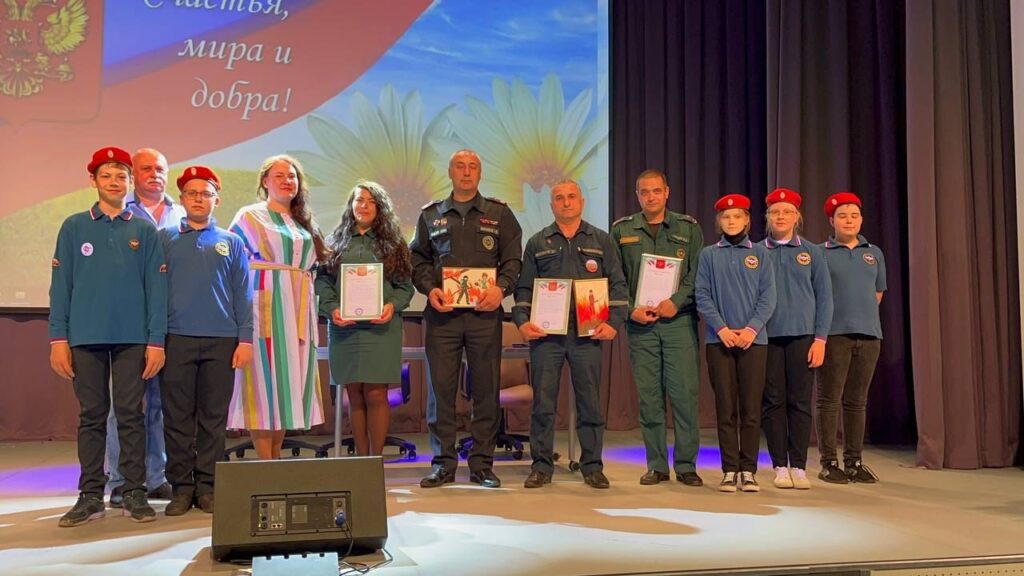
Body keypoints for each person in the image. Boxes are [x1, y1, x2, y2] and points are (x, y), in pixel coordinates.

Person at [49, 146, 167, 526]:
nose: (114, 182)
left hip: (133, 338)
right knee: (92, 416)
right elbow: (61, 286)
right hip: (85, 337)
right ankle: (89, 495)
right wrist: (58, 339)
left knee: (131, 415)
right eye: (106, 176)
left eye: (121, 176)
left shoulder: (144, 230)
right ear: (93, 181)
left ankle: (134, 491)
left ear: (130, 182)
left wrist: (156, 340)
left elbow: (157, 289)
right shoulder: (74, 227)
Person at [410, 149, 522, 489]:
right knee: (440, 392)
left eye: (473, 166)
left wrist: (501, 289)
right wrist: (430, 289)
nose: (467, 171)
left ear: (480, 173)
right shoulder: (431, 215)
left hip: (484, 316)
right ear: (450, 172)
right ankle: (443, 464)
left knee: (485, 391)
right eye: (460, 166)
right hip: (443, 316)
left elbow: (513, 261)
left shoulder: (499, 214)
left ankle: (482, 465)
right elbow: (418, 260)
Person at [513, 180, 628, 489]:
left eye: (571, 197)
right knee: (543, 405)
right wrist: (522, 322)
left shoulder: (601, 240)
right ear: (551, 205)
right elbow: (524, 288)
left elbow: (618, 285)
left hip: (587, 334)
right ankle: (541, 466)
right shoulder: (537, 242)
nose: (566, 202)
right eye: (559, 198)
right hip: (546, 335)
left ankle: (592, 466)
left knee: (590, 403)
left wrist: (614, 322)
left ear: (581, 202)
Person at [159, 166, 253, 515]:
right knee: (177, 417)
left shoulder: (232, 242)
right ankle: (182, 488)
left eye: (206, 194)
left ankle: (208, 486)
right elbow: (154, 290)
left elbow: (243, 294)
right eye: (192, 193)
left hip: (221, 341)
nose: (199, 199)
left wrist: (245, 339)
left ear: (217, 200)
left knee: (213, 419)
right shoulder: (164, 238)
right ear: (182, 199)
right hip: (176, 338)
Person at [227, 154, 326, 460]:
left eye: (292, 176)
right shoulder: (250, 216)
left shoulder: (302, 220)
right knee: (263, 381)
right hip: (266, 302)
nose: (287, 181)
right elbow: (231, 261)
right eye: (279, 175)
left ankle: (277, 458)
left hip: (297, 307)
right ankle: (265, 462)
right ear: (265, 181)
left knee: (287, 383)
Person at [612, 169, 704, 487]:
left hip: (679, 322)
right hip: (641, 325)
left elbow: (697, 273)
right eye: (644, 192)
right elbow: (615, 279)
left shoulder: (688, 228)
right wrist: (630, 311)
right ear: (637, 195)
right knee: (649, 398)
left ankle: (687, 465)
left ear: (667, 192)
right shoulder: (622, 230)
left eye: (656, 191)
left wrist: (676, 302)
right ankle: (656, 465)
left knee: (684, 396)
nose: (650, 197)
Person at [106, 148, 185, 507]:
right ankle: (121, 479)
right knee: (123, 405)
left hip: (173, 321)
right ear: (133, 175)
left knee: (161, 404)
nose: (155, 174)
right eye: (146, 169)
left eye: (160, 169)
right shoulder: (118, 212)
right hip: (129, 321)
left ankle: (156, 477)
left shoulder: (182, 213)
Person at [315, 181, 413, 456]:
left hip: (381, 330)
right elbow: (323, 282)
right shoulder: (334, 242)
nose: (364, 206)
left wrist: (392, 306)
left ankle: (375, 460)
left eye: (371, 201)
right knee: (354, 395)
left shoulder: (394, 244)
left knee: (376, 394)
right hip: (344, 329)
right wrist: (332, 309)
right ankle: (361, 459)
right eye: (359, 200)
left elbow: (405, 287)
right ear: (351, 205)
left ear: (380, 208)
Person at [695, 193, 776, 493]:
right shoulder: (708, 255)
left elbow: (768, 297)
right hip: (719, 341)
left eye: (737, 216)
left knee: (751, 409)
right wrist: (722, 329)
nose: (731, 221)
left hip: (754, 342)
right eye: (726, 217)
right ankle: (729, 469)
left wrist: (751, 330)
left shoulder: (761, 254)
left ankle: (749, 470)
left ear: (747, 220)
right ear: (719, 221)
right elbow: (702, 295)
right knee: (726, 408)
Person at [759, 188, 833, 490]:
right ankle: (779, 465)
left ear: (797, 217)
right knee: (773, 402)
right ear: (767, 216)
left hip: (803, 337)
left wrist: (821, 339)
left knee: (800, 402)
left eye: (787, 211)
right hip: (766, 337)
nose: (781, 216)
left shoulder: (812, 252)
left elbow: (824, 298)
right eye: (775, 212)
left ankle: (799, 466)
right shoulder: (756, 251)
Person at [817, 192, 886, 484]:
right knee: (829, 400)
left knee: (857, 401)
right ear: (832, 221)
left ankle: (854, 461)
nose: (849, 221)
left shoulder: (874, 253)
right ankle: (828, 462)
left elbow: (878, 293)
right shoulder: (820, 253)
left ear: (861, 220)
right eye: (842, 216)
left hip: (869, 335)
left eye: (854, 215)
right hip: (834, 334)